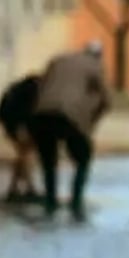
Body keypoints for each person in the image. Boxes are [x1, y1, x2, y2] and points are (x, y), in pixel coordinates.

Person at [28, 41, 111, 220]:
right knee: (83, 157)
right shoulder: (95, 66)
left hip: (41, 115)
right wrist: (89, 124)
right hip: (68, 116)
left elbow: (41, 86)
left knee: (48, 160)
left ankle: (51, 202)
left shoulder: (58, 60)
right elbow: (106, 101)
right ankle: (76, 202)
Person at [0, 73, 41, 203]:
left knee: (24, 154)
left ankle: (17, 189)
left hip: (11, 121)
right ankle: (25, 189)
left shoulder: (19, 90)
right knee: (25, 154)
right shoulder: (31, 94)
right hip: (17, 122)